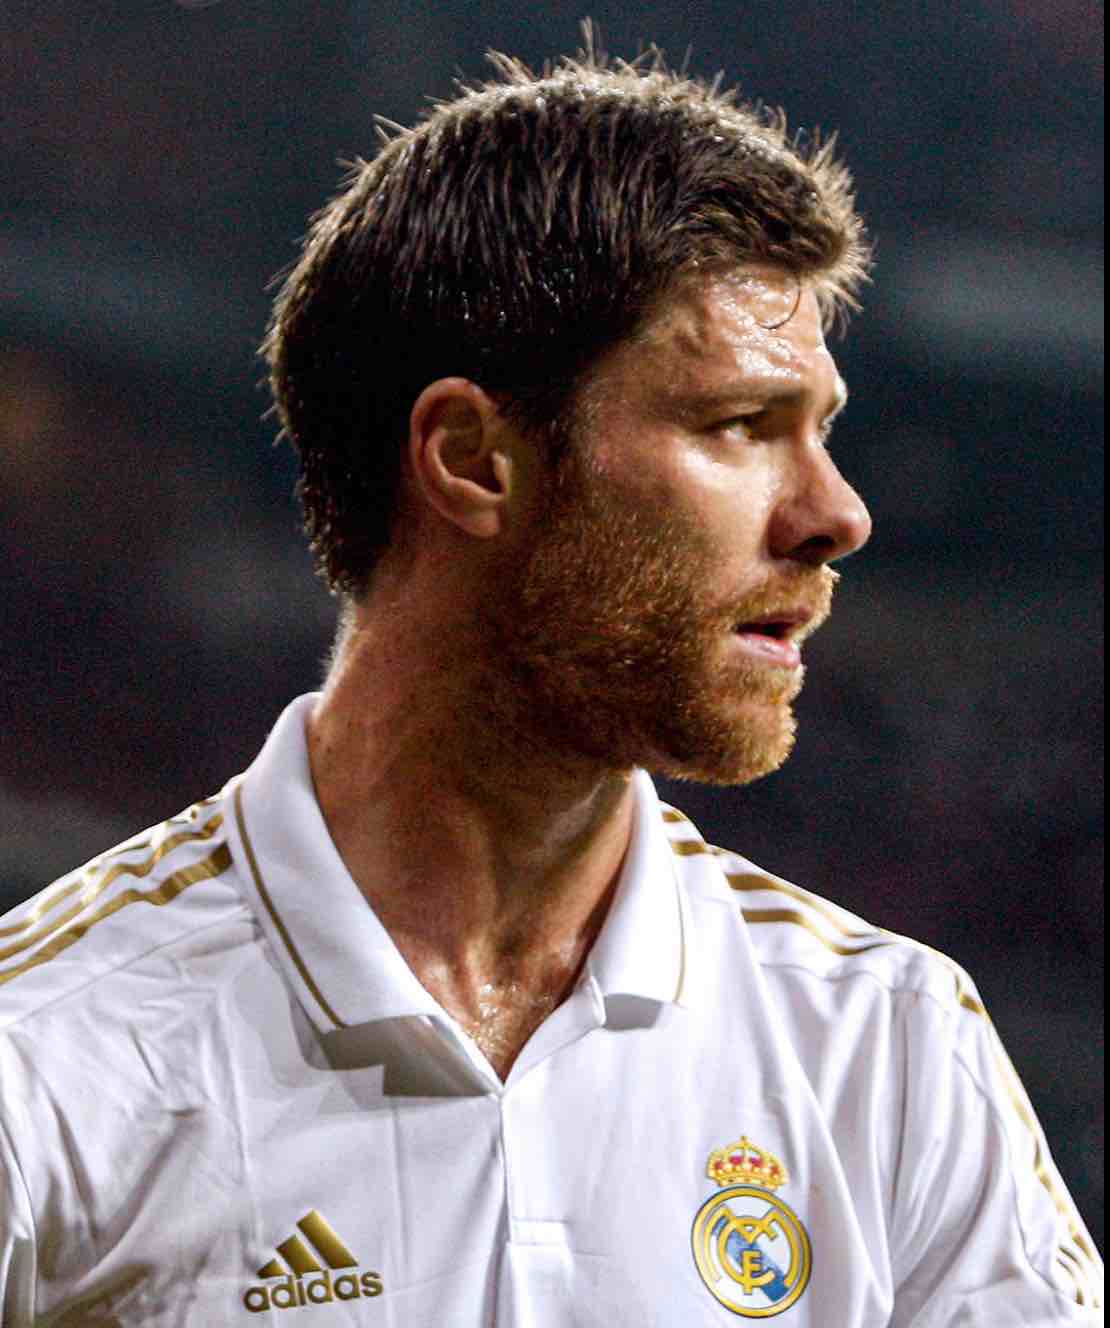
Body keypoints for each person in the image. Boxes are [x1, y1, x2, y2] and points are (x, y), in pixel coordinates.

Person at [0, 38, 1101, 1327]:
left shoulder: (891, 1047)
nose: (837, 514)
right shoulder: (49, 1049)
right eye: (740, 425)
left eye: (823, 430)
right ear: (473, 460)